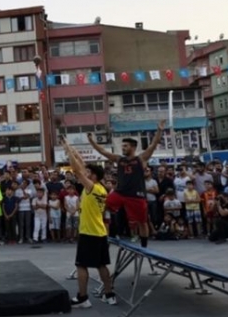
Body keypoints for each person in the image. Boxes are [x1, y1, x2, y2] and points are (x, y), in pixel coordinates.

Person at [88, 120, 166, 248]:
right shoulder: (119, 159)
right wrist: (92, 141)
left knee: (142, 222)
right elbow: (103, 151)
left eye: (125, 146)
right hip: (120, 193)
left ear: (133, 147)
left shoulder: (141, 159)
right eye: (122, 146)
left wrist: (159, 130)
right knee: (102, 206)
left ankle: (144, 247)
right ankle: (104, 235)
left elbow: (153, 145)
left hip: (136, 196)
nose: (123, 148)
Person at [61, 137, 116, 308]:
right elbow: (82, 164)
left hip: (89, 232)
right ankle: (109, 294)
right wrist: (70, 146)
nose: (86, 174)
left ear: (95, 177)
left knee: (81, 265)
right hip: (100, 232)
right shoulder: (100, 189)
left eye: (89, 173)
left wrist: (68, 151)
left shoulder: (92, 187)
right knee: (101, 265)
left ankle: (83, 298)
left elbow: (77, 169)